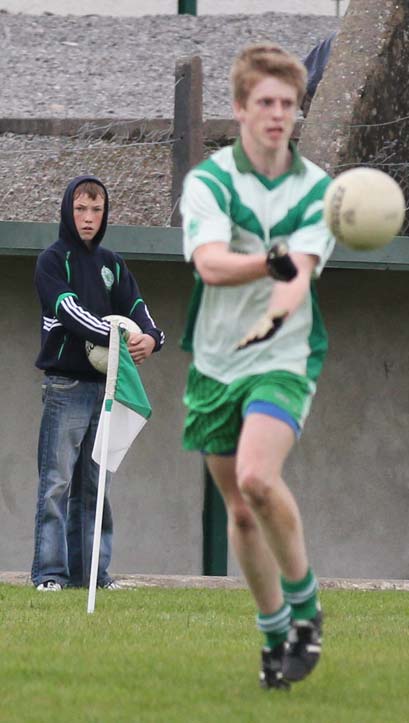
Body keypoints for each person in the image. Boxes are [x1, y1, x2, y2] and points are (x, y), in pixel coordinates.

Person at [180, 44, 335, 689]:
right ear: (240, 109)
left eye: (287, 104)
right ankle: (273, 631)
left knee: (258, 478)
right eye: (264, 103)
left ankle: (307, 613)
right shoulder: (209, 182)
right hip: (216, 360)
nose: (277, 114)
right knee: (240, 511)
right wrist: (262, 262)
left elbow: (298, 276)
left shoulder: (317, 190)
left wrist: (276, 306)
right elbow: (210, 263)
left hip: (283, 355)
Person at [31, 175, 165, 591]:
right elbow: (68, 312)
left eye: (96, 209)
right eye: (80, 209)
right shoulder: (52, 261)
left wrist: (150, 339)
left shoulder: (113, 264)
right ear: (67, 211)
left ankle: (92, 575)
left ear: (105, 214)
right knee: (56, 483)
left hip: (106, 389)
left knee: (96, 485)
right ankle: (49, 575)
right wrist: (116, 336)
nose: (88, 218)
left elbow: (140, 311)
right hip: (66, 387)